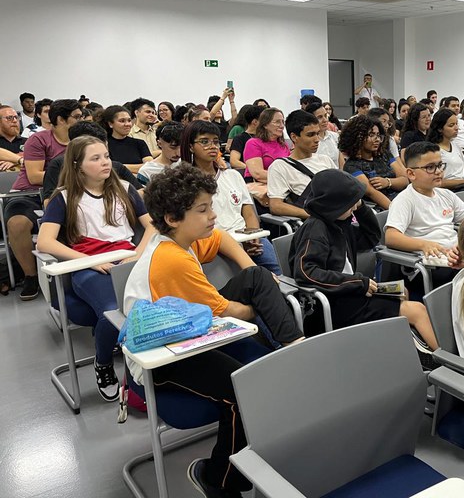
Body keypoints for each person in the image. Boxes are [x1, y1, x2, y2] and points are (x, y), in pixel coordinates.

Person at [123, 164, 304, 498]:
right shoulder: (171, 258)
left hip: (192, 332)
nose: (213, 215)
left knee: (256, 277)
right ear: (173, 218)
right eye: (203, 209)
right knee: (242, 392)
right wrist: (258, 308)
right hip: (161, 357)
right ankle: (218, 478)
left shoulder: (183, 240)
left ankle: (294, 345)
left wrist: (252, 271)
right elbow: (225, 310)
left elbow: (219, 237)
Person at [37, 135, 154, 401]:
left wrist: (137, 253)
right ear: (77, 165)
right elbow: (45, 242)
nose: (106, 162)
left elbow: (152, 226)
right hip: (89, 265)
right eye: (96, 158)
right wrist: (89, 260)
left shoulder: (125, 188)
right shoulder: (64, 197)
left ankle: (149, 363)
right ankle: (103, 363)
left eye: (106, 156)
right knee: (113, 311)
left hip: (129, 258)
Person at [289, 168, 437, 350]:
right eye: (350, 204)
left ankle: (394, 348)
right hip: (334, 302)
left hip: (351, 291)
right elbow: (306, 272)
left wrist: (360, 208)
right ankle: (446, 360)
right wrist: (356, 282)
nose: (354, 207)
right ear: (334, 205)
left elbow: (371, 238)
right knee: (416, 311)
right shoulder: (315, 229)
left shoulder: (339, 223)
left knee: (402, 291)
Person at [180, 121, 280, 275]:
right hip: (213, 242)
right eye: (204, 142)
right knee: (251, 277)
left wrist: (253, 236)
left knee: (277, 272)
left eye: (215, 141)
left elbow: (248, 212)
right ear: (191, 147)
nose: (212, 146)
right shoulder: (185, 182)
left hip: (245, 235)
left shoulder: (232, 175)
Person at [5, 99, 82, 300]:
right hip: (29, 194)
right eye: (77, 117)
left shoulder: (82, 141)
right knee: (17, 223)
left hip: (69, 193)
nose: (81, 120)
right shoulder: (38, 140)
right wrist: (77, 173)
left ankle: (76, 269)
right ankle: (31, 276)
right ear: (61, 119)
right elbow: (35, 176)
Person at [385, 142, 464, 297]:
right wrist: (424, 244)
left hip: (454, 254)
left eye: (440, 165)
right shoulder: (405, 200)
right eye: (430, 167)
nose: (438, 172)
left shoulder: (446, 195)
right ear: (411, 174)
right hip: (428, 263)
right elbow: (391, 237)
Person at [42, 121, 141, 206]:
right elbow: (48, 202)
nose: (104, 162)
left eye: (106, 155)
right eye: (95, 157)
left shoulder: (115, 167)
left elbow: (141, 192)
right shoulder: (58, 165)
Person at [267, 110, 336, 220]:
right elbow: (276, 206)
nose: (317, 139)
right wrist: (316, 215)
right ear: (294, 137)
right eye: (310, 135)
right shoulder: (280, 166)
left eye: (317, 133)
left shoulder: (325, 160)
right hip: (317, 221)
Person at [340, 115, 408, 210]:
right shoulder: (351, 166)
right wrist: (397, 211)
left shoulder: (385, 155)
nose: (377, 139)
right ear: (358, 137)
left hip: (402, 200)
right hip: (380, 208)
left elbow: (405, 180)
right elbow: (371, 193)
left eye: (378, 135)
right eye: (371, 135)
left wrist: (387, 182)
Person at [242, 108, 289, 205]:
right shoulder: (253, 143)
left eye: (282, 122)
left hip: (281, 187)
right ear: (265, 125)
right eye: (277, 122)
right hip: (260, 190)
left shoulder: (283, 145)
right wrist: (286, 178)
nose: (281, 126)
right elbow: (258, 174)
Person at [426, 109, 464, 190]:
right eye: (451, 125)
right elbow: (436, 182)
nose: (456, 128)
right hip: (447, 190)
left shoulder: (456, 146)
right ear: (440, 129)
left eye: (456, 124)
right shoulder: (433, 151)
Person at [100, 105, 152, 174]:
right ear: (110, 124)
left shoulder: (139, 143)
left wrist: (121, 167)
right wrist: (139, 167)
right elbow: (109, 168)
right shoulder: (104, 145)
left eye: (129, 120)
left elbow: (149, 166)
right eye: (122, 121)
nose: (127, 124)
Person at [137, 121, 182, 185]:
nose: (178, 153)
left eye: (182, 147)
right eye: (173, 147)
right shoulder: (146, 171)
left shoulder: (187, 163)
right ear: (159, 143)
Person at [228, 105, 264, 170]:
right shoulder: (240, 138)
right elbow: (234, 161)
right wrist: (253, 169)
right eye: (265, 120)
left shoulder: (267, 138)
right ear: (255, 122)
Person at [0, 104, 26, 171]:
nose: (15, 121)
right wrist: (19, 159)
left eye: (16, 117)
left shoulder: (29, 141)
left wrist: (15, 161)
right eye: (9, 118)